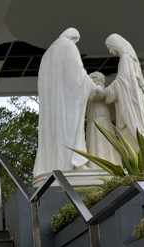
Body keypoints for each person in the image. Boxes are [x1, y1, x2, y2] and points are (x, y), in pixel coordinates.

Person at [33, 28, 104, 180]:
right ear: (74, 37)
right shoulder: (68, 47)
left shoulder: (47, 54)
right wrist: (94, 88)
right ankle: (74, 164)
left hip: (53, 105)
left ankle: (54, 165)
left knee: (55, 134)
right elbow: (78, 75)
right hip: (67, 104)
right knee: (69, 131)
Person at [103, 33, 144, 149]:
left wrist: (106, 92)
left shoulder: (125, 58)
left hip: (131, 105)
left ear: (116, 45)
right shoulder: (129, 59)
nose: (110, 51)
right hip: (133, 100)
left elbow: (123, 81)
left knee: (133, 134)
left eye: (110, 47)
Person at [84, 71, 120, 166]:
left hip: (99, 119)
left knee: (98, 141)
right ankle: (110, 162)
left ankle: (95, 164)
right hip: (99, 119)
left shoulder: (95, 90)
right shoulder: (96, 90)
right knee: (103, 140)